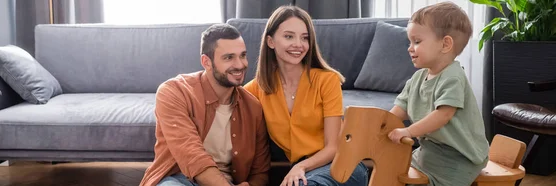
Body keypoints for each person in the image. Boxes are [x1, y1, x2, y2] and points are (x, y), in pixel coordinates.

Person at [244, 5, 368, 186]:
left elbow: (333, 147)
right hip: (304, 172)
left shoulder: (327, 80)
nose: (298, 44)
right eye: (288, 36)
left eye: (304, 38)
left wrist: (300, 167)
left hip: (342, 164)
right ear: (270, 41)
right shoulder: (256, 89)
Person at [140, 23, 270, 186]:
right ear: (206, 62)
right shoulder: (174, 92)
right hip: (180, 179)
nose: (240, 64)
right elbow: (192, 156)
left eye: (242, 55)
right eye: (229, 57)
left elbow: (260, 172)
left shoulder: (253, 106)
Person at [387, 2, 490, 186]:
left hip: (458, 157)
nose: (410, 48)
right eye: (409, 42)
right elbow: (398, 110)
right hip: (431, 151)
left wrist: (408, 131)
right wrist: (376, 125)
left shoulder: (453, 77)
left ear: (445, 44)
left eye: (417, 42)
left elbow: (443, 115)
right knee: (395, 170)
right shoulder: (418, 78)